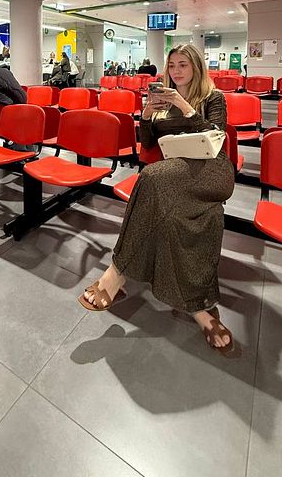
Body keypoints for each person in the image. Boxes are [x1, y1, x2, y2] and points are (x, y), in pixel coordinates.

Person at [78, 44, 237, 356]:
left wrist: (184, 106)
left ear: (196, 68)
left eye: (183, 65)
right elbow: (149, 144)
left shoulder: (212, 98)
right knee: (168, 213)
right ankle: (199, 308)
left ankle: (116, 274)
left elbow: (217, 137)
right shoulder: (160, 103)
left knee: (150, 178)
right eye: (172, 65)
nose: (176, 71)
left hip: (211, 169)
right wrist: (147, 116)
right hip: (174, 172)